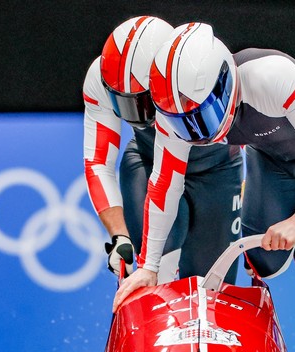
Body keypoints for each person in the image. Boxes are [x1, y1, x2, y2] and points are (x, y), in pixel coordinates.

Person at [114, 23, 295, 310]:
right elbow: (164, 187)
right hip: (272, 155)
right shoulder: (172, 114)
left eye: (201, 115)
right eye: (182, 122)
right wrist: (148, 266)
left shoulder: (269, 76)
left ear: (224, 84)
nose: (196, 134)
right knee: (265, 263)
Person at [83, 16, 243, 283]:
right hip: (148, 163)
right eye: (123, 103)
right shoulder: (99, 78)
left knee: (212, 289)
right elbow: (97, 161)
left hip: (218, 171)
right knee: (157, 272)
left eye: (142, 102)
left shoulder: (197, 72)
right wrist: (119, 235)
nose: (135, 115)